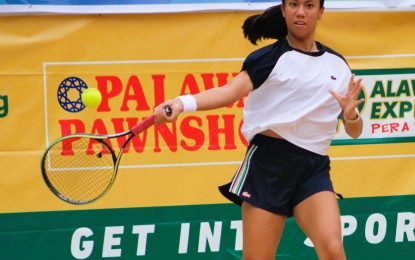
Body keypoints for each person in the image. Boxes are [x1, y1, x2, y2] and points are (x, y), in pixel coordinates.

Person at [154, 0, 364, 259]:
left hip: (313, 169)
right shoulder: (268, 58)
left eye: (309, 5)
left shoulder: (338, 66)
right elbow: (229, 93)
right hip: (268, 165)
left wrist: (351, 114)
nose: (301, 11)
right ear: (284, 9)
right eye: (294, 4)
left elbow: (354, 130)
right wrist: (181, 103)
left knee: (333, 249)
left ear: (321, 12)